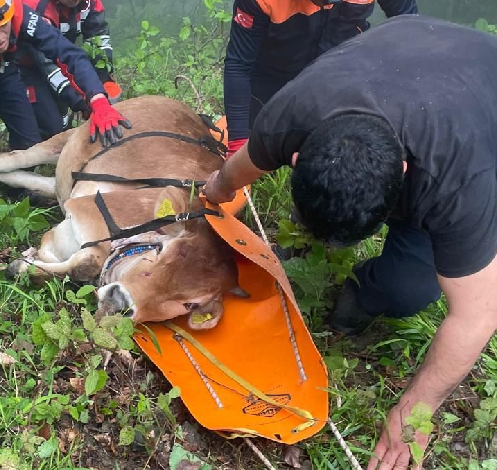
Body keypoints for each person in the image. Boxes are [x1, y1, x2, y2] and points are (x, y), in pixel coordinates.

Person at [205, 16, 497, 470]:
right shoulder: (292, 112)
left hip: (479, 88)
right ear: (297, 157)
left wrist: (413, 412)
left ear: (403, 175)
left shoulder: (458, 180)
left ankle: (366, 291)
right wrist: (215, 191)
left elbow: (476, 316)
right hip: (403, 46)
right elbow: (239, 167)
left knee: (408, 291)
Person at [0, 0, 129, 164]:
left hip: (2, 69)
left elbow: (68, 53)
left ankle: (17, 191)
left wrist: (96, 99)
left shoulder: (18, 13)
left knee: (29, 141)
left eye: (2, 27)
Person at [223, 0, 417, 158]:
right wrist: (238, 141)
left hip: (341, 74)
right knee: (260, 151)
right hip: (270, 77)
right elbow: (239, 65)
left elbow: (409, 24)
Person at [19, 0, 116, 139]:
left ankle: (64, 124)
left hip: (63, 55)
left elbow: (99, 38)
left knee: (92, 96)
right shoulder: (37, 6)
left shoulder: (91, 3)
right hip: (26, 65)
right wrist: (79, 100)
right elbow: (46, 64)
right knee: (51, 130)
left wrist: (104, 80)